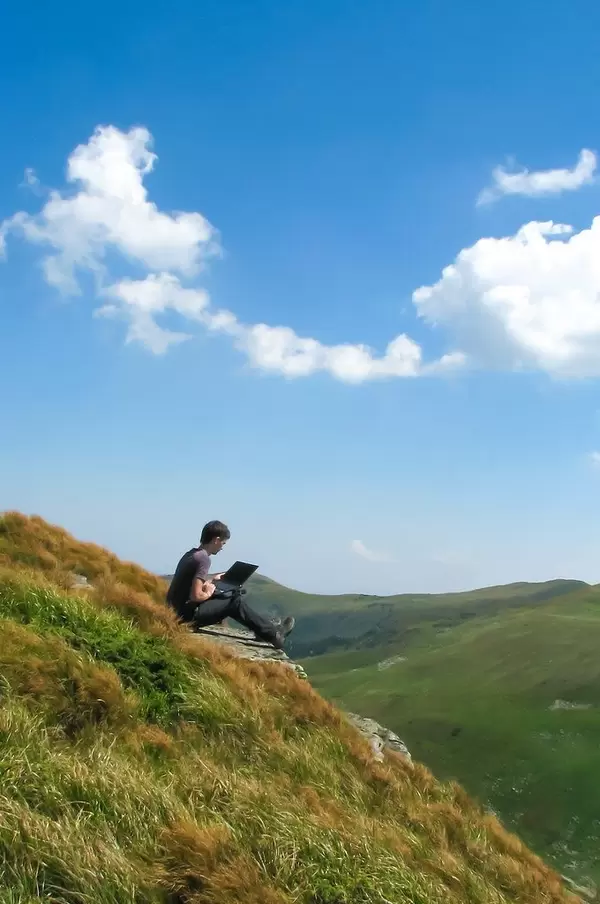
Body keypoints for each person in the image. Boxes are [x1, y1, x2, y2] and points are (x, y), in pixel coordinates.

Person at [166, 520, 295, 650]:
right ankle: (274, 635)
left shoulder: (191, 554)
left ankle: (263, 631)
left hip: (176, 612)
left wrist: (212, 581)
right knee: (234, 600)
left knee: (230, 595)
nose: (222, 547)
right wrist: (209, 592)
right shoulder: (204, 559)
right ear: (216, 540)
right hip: (186, 617)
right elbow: (196, 596)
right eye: (223, 543)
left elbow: (189, 587)